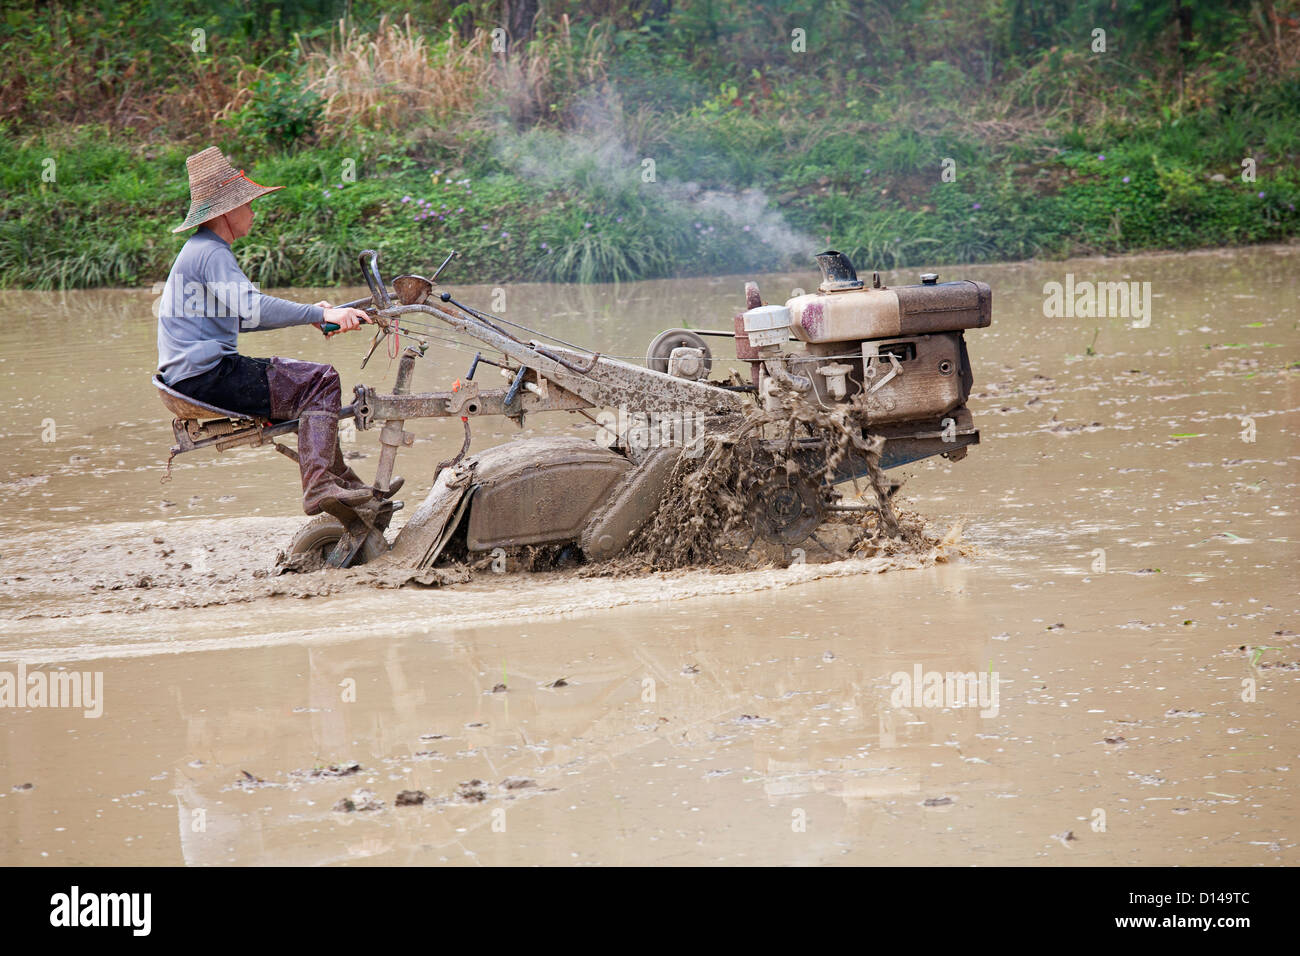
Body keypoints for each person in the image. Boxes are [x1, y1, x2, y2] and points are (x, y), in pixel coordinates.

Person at [156, 146, 400, 516]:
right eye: (248, 205)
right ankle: (321, 486)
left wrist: (318, 315)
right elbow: (253, 307)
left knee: (310, 385)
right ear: (226, 211)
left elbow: (245, 318)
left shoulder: (200, 250)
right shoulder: (211, 252)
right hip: (206, 376)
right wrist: (317, 313)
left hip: (193, 374)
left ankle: (345, 486)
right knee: (319, 382)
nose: (253, 212)